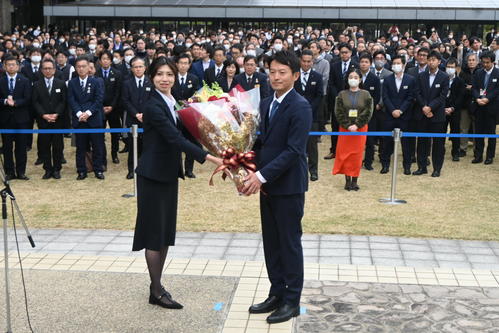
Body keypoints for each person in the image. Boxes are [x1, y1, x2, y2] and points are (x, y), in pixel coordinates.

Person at [132, 56, 222, 309]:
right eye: (159, 74)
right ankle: (156, 290)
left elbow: (186, 134)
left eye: (169, 74)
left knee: (164, 233)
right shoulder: (153, 106)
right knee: (153, 233)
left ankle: (157, 286)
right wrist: (211, 158)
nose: (165, 78)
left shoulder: (172, 102)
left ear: (175, 76)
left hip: (168, 174)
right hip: (152, 176)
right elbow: (174, 139)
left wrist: (218, 143)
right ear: (152, 78)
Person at [242, 50, 312, 324]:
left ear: (295, 75)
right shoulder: (267, 103)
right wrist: (243, 166)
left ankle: (291, 300)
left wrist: (261, 176)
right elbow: (265, 143)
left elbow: (294, 150)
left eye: (282, 72)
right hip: (268, 185)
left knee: (289, 243)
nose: (275, 77)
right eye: (272, 71)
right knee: (272, 243)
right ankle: (276, 293)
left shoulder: (300, 106)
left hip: (289, 186)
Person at [332, 69, 373, 190]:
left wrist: (357, 124)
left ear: (360, 79)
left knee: (357, 155)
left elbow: (368, 111)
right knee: (345, 154)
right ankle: (347, 180)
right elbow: (338, 111)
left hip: (360, 128)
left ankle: (355, 180)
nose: (353, 79)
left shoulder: (366, 94)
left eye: (356, 77)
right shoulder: (341, 94)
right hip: (345, 129)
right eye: (351, 77)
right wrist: (348, 125)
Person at [67, 56, 105, 180]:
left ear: (89, 67)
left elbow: (98, 100)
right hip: (80, 120)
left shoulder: (96, 81)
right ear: (76, 68)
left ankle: (98, 169)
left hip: (94, 119)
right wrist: (79, 113)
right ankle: (81, 170)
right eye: (79, 67)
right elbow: (71, 100)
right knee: (80, 147)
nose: (81, 69)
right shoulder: (72, 83)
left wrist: (88, 113)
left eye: (84, 66)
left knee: (98, 146)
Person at [413, 51, 450, 177]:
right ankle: (422, 167)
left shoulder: (444, 77)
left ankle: (437, 168)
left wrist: (430, 107)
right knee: (422, 142)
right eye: (429, 59)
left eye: (434, 60)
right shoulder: (421, 76)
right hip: (422, 114)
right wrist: (424, 107)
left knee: (438, 144)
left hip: (437, 115)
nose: (431, 62)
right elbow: (417, 93)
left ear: (439, 61)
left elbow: (442, 96)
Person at [380, 55, 417, 175]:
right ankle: (385, 165)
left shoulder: (410, 80)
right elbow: (385, 97)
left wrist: (400, 110)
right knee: (387, 143)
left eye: (398, 63)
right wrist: (392, 110)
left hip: (405, 116)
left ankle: (407, 166)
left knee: (406, 144)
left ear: (404, 65)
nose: (396, 65)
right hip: (390, 116)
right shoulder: (387, 79)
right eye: (394, 63)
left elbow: (410, 97)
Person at [32, 59, 67, 179]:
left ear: (54, 70)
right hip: (43, 121)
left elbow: (63, 101)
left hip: (57, 120)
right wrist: (43, 115)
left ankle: (57, 169)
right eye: (45, 68)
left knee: (58, 146)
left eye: (50, 68)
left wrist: (56, 113)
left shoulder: (61, 83)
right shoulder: (36, 85)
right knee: (44, 146)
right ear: (41, 70)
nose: (47, 70)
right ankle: (47, 169)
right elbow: (35, 102)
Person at [0, 55, 32, 180]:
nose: (11, 66)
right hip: (5, 119)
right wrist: (5, 102)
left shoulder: (25, 80)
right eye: (9, 64)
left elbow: (28, 99)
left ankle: (21, 172)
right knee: (7, 147)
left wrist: (16, 103)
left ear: (18, 66)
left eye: (14, 64)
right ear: (4, 66)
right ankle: (9, 172)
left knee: (21, 147)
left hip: (21, 119)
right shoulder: (1, 81)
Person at [325, 42, 358, 160]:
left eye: (346, 52)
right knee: (335, 126)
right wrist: (338, 96)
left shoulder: (356, 65)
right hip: (337, 100)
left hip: (351, 101)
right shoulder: (334, 65)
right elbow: (331, 83)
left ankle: (348, 151)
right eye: (342, 52)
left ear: (350, 53)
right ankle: (334, 150)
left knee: (349, 125)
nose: (344, 55)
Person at [293, 49, 323, 181]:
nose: (306, 64)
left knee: (312, 145)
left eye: (308, 61)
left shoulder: (317, 77)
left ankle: (313, 170)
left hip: (313, 116)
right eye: (304, 61)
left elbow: (319, 95)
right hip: (295, 115)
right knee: (295, 143)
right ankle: (296, 170)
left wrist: (308, 108)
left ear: (312, 61)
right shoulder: (294, 75)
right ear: (300, 61)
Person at [172, 53, 202, 179]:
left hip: (189, 115)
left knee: (191, 143)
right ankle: (177, 169)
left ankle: (189, 170)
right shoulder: (172, 78)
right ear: (177, 64)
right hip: (174, 114)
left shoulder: (194, 78)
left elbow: (197, 95)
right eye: (181, 63)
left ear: (189, 65)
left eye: (186, 63)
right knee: (176, 142)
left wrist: (189, 102)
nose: (183, 65)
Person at [122, 57, 152, 179]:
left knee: (147, 146)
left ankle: (146, 170)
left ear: (145, 68)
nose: (138, 69)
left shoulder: (151, 82)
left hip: (147, 119)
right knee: (132, 147)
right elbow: (125, 101)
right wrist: (136, 114)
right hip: (132, 119)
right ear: (132, 69)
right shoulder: (127, 83)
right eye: (136, 67)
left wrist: (145, 114)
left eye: (140, 66)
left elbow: (152, 100)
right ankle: (131, 170)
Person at [96, 50, 123, 165]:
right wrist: (101, 106)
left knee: (115, 133)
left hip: (114, 109)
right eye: (103, 58)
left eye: (107, 58)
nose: (105, 61)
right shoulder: (96, 74)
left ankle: (114, 153)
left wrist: (111, 106)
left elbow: (118, 92)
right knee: (100, 134)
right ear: (100, 61)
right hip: (99, 109)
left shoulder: (117, 73)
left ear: (111, 61)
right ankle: (102, 157)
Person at [471, 51, 498, 165]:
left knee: (491, 133)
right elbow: (474, 88)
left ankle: (490, 156)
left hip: (491, 107)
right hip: (479, 107)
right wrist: (477, 98)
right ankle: (478, 155)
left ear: (493, 62)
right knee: (478, 132)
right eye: (483, 62)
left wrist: (488, 99)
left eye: (487, 63)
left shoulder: (497, 73)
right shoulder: (478, 73)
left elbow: (497, 90)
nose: (485, 65)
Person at [358, 53, 381, 171]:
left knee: (370, 140)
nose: (364, 64)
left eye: (366, 62)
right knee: (356, 140)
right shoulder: (354, 76)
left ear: (370, 64)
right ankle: (356, 160)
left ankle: (368, 161)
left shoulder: (375, 79)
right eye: (362, 62)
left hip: (371, 114)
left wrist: (367, 109)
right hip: (355, 113)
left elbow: (376, 97)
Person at [444, 58, 465, 161]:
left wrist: (452, 108)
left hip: (455, 110)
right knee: (441, 131)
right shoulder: (442, 79)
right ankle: (440, 150)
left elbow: (461, 97)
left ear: (457, 68)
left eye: (452, 67)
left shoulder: (460, 81)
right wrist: (443, 108)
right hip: (442, 110)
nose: (450, 69)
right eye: (448, 67)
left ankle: (455, 153)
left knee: (455, 131)